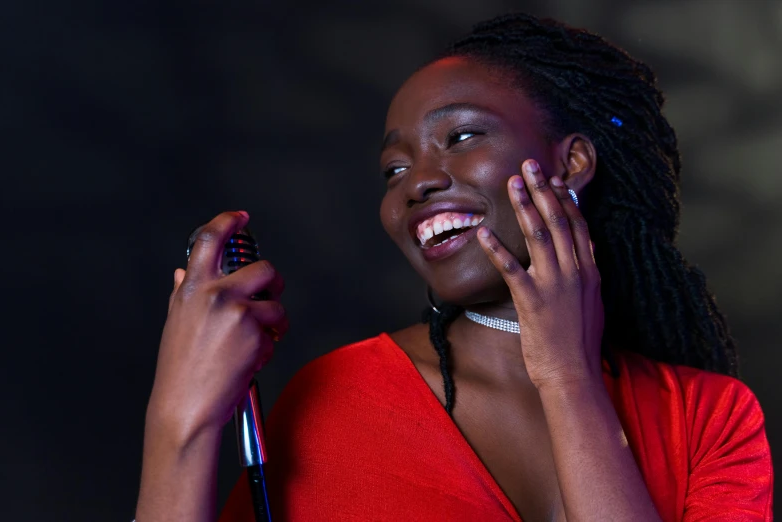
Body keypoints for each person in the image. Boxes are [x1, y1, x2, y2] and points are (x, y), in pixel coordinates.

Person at [135, 13, 773, 522]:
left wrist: (566, 377)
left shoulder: (710, 419)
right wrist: (178, 421)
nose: (418, 183)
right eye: (394, 170)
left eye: (463, 137)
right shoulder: (334, 402)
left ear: (571, 162)